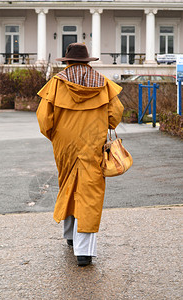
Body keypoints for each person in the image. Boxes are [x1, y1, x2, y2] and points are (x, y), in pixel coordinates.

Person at [36, 43, 124, 266]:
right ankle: (83, 251)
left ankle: (69, 236)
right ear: (87, 61)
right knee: (90, 191)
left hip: (64, 145)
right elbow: (115, 115)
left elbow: (44, 120)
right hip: (92, 144)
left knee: (67, 183)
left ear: (67, 61)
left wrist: (57, 137)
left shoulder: (56, 84)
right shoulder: (103, 83)